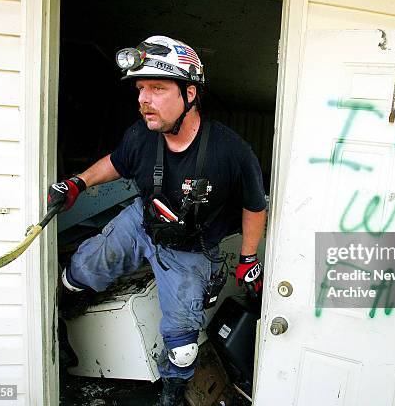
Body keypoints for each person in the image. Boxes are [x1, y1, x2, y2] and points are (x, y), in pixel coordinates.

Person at [48, 35, 267, 406]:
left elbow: (254, 206)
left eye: (157, 88)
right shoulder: (141, 135)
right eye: (140, 89)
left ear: (191, 94)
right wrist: (78, 182)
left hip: (190, 250)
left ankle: (171, 395)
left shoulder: (231, 152)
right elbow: (116, 163)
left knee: (182, 347)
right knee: (80, 270)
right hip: (142, 222)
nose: (143, 100)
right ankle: (60, 335)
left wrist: (248, 258)